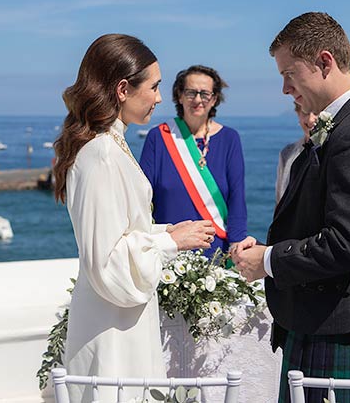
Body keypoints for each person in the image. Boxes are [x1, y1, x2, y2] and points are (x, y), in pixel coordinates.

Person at [233, 12, 350, 403]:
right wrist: (266, 250)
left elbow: (347, 243)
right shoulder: (342, 127)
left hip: (335, 326)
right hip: (320, 321)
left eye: (289, 74)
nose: (284, 89)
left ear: (324, 62)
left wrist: (270, 261)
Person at [53, 34, 215, 403]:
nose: (160, 98)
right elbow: (108, 264)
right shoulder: (101, 154)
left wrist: (166, 230)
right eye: (155, 87)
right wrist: (171, 242)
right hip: (111, 331)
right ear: (123, 89)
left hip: (119, 322)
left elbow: (122, 229)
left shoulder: (112, 145)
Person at [140, 65, 249, 259]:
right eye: (191, 93)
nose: (198, 100)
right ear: (179, 96)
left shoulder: (229, 138)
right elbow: (142, 199)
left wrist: (237, 244)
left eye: (205, 94)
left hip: (216, 254)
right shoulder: (158, 137)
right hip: (169, 251)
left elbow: (236, 197)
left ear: (214, 99)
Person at [275, 103, 317, 204]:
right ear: (298, 113)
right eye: (305, 112)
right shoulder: (287, 153)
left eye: (316, 112)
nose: (311, 119)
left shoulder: (333, 152)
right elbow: (279, 202)